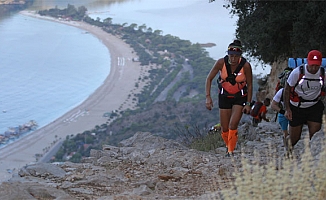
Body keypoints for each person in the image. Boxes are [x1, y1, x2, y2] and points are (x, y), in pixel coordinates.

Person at [205, 39, 253, 156]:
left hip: (239, 97)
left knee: (233, 125)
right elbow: (209, 79)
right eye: (231, 55)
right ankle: (228, 146)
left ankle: (230, 151)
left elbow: (250, 85)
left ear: (240, 55)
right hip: (224, 96)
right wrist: (208, 97)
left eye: (236, 56)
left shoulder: (245, 66)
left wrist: (248, 103)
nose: (233, 58)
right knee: (224, 128)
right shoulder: (221, 63)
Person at [284, 50, 325, 153]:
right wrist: (287, 109)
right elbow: (287, 89)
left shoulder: (323, 74)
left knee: (315, 133)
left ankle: (312, 155)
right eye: (312, 65)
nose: (314, 68)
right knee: (294, 139)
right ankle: (288, 147)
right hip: (297, 107)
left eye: (316, 65)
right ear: (308, 62)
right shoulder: (297, 73)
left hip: (314, 105)